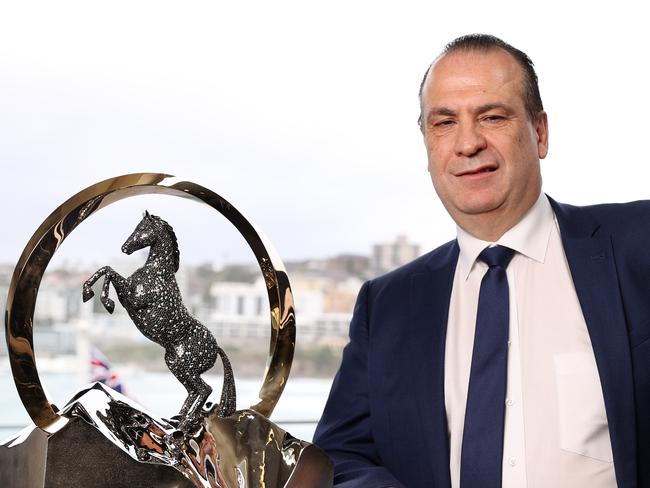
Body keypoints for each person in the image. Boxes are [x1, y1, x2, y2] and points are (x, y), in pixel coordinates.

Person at [313, 34, 650, 488]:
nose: (468, 143)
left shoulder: (637, 244)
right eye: (444, 122)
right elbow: (341, 454)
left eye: (492, 116)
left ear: (540, 132)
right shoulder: (388, 303)